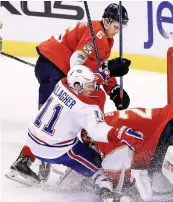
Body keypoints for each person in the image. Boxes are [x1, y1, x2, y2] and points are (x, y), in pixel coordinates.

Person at [9, 2, 131, 183]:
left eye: (120, 27)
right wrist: (108, 70)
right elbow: (77, 64)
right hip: (54, 69)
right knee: (52, 117)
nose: (117, 31)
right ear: (106, 21)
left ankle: (42, 157)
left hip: (52, 67)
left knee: (92, 96)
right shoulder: (96, 34)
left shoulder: (104, 36)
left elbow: (95, 66)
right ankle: (25, 162)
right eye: (115, 26)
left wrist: (112, 88)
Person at [5, 65, 144, 195]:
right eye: (90, 86)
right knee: (99, 166)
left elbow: (80, 82)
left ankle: (24, 159)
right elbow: (97, 131)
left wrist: (104, 74)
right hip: (56, 151)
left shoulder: (62, 84)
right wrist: (119, 133)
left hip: (32, 143)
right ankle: (106, 192)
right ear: (77, 86)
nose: (93, 88)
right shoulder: (87, 108)